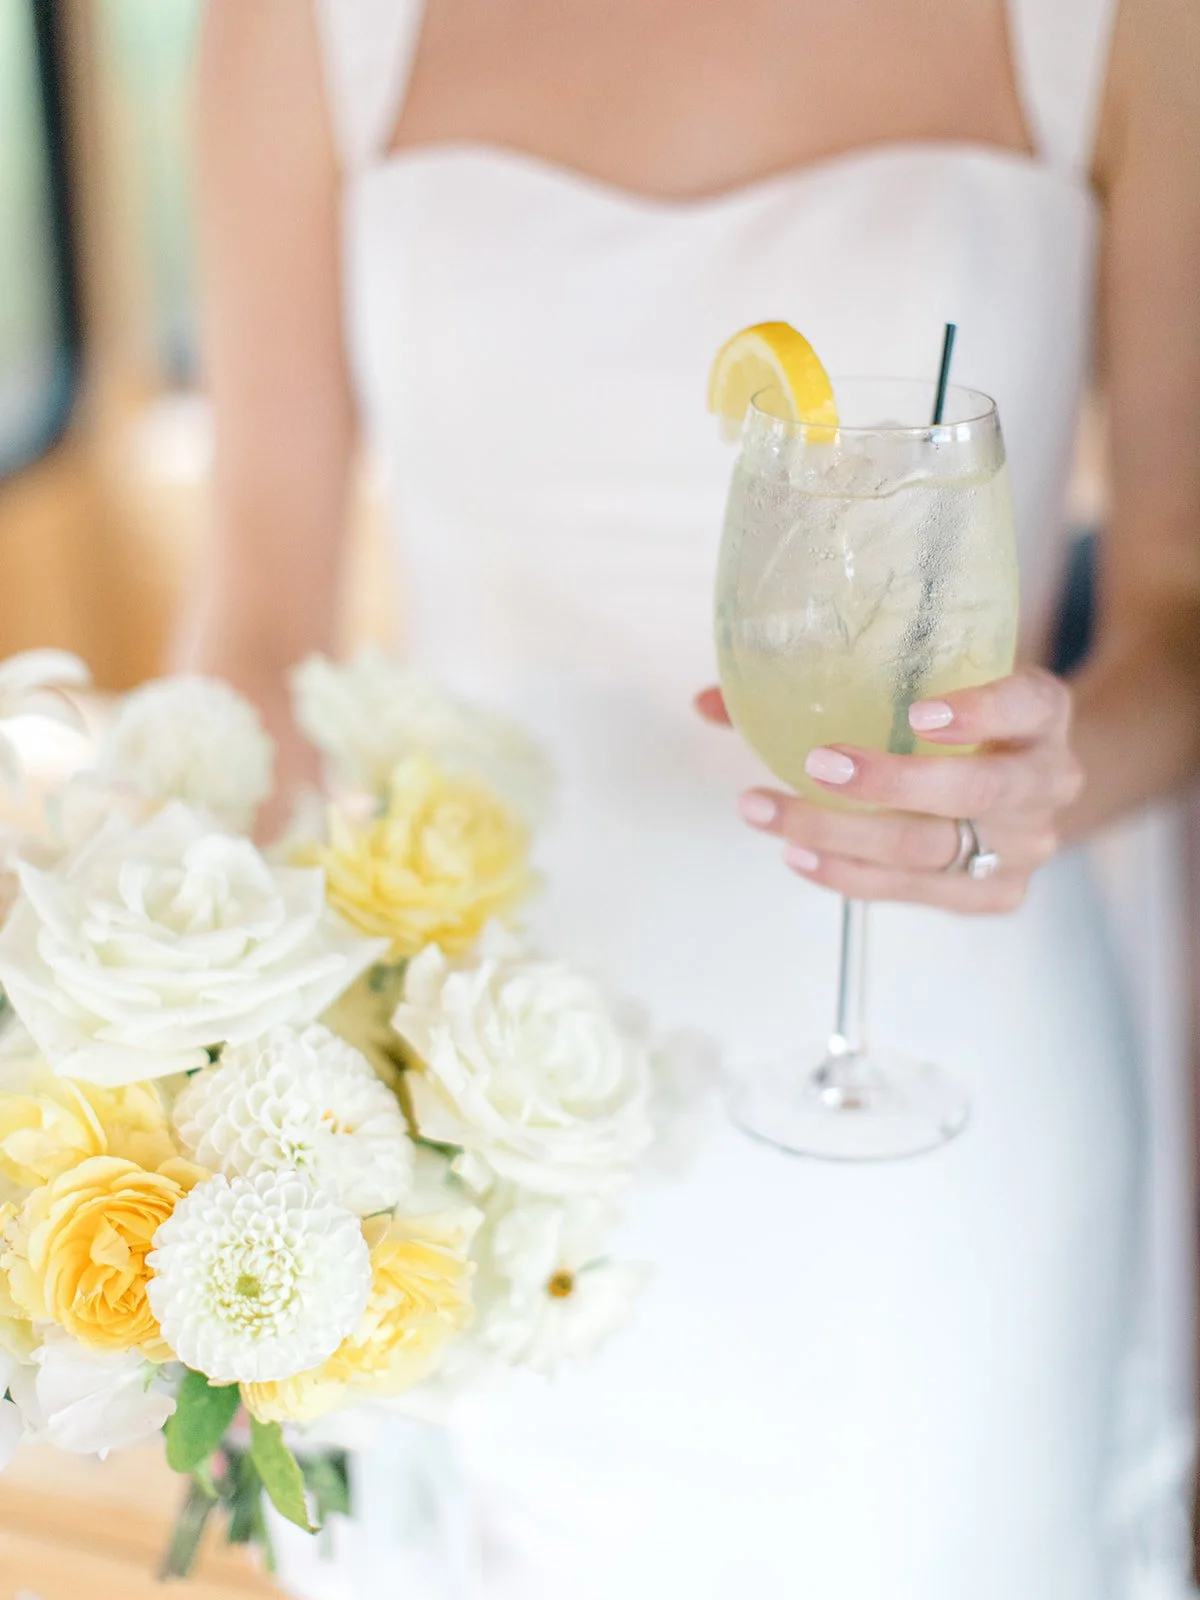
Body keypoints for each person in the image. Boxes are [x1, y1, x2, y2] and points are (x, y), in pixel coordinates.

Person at [181, 1, 1200, 1594]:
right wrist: (178, 1040)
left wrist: (1034, 779)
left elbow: (1183, 613)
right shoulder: (302, 28)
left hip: (931, 1113)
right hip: (455, 1100)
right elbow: (253, 618)